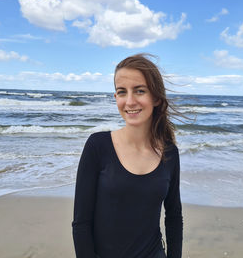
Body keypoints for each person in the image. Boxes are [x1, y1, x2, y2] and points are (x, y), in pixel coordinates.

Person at [72, 54, 183, 258]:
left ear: (156, 97)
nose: (130, 101)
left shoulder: (169, 153)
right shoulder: (98, 146)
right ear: (116, 98)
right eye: (122, 92)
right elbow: (81, 223)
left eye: (140, 91)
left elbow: (174, 216)